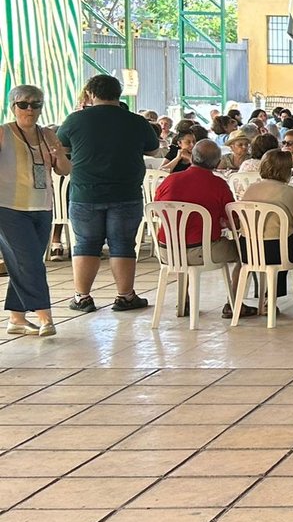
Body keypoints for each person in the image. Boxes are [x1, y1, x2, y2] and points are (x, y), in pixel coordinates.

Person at [53, 74, 160, 313]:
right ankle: (125, 297)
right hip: (126, 192)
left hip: (85, 193)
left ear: (91, 94)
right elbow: (154, 150)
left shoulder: (75, 120)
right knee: (123, 244)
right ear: (118, 94)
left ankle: (82, 297)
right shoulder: (136, 121)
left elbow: (62, 148)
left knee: (85, 244)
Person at [153, 139, 252, 318]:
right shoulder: (218, 185)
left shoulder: (171, 180)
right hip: (203, 251)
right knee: (246, 251)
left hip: (167, 250)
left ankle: (184, 300)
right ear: (216, 162)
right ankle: (234, 303)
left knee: (184, 242)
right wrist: (221, 222)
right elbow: (234, 222)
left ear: (192, 158)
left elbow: (157, 209)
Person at [0, 85, 70, 336]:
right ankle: (45, 316)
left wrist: (59, 155)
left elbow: (63, 170)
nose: (30, 109)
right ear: (13, 106)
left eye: (36, 104)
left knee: (25, 262)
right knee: (30, 263)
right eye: (23, 104)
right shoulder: (4, 133)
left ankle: (17, 318)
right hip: (9, 207)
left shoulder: (48, 135)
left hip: (41, 206)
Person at [238, 149, 293, 304]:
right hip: (278, 251)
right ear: (287, 170)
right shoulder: (289, 192)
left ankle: (269, 297)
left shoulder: (250, 189)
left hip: (248, 250)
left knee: (287, 241)